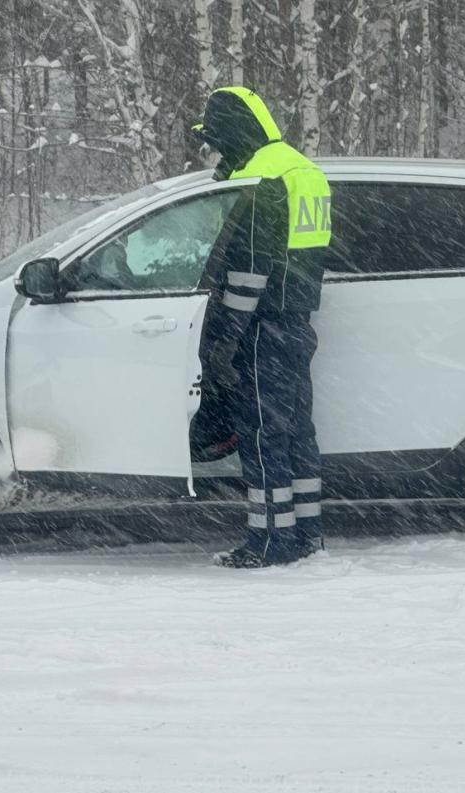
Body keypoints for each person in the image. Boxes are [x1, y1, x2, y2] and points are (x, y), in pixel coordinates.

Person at [191, 86, 332, 568]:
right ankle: (306, 534)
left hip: (262, 326)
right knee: (296, 433)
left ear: (233, 133)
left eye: (216, 142)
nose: (215, 153)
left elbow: (251, 267)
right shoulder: (300, 169)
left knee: (260, 435)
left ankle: (269, 542)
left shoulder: (260, 177)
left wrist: (226, 335)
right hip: (297, 322)